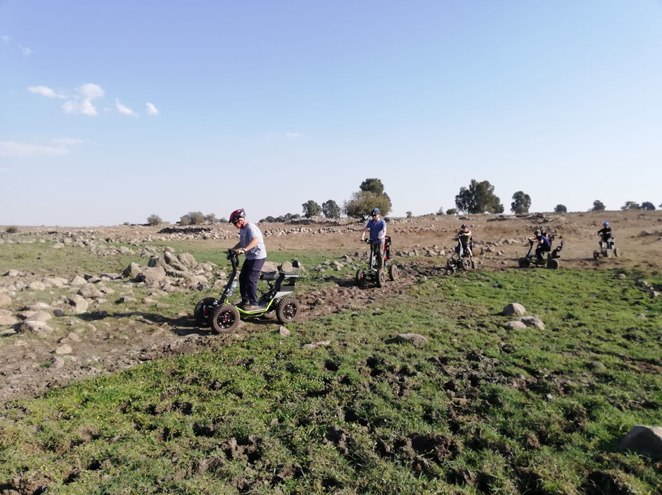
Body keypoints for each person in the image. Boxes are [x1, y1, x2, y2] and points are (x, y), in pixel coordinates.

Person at [229, 209, 267, 311]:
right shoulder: (243, 229)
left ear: (240, 220)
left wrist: (244, 250)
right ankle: (245, 301)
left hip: (258, 256)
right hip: (250, 257)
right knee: (242, 278)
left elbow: (255, 240)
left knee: (251, 280)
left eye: (235, 223)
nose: (234, 225)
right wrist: (233, 249)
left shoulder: (250, 227)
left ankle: (254, 304)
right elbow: (242, 242)